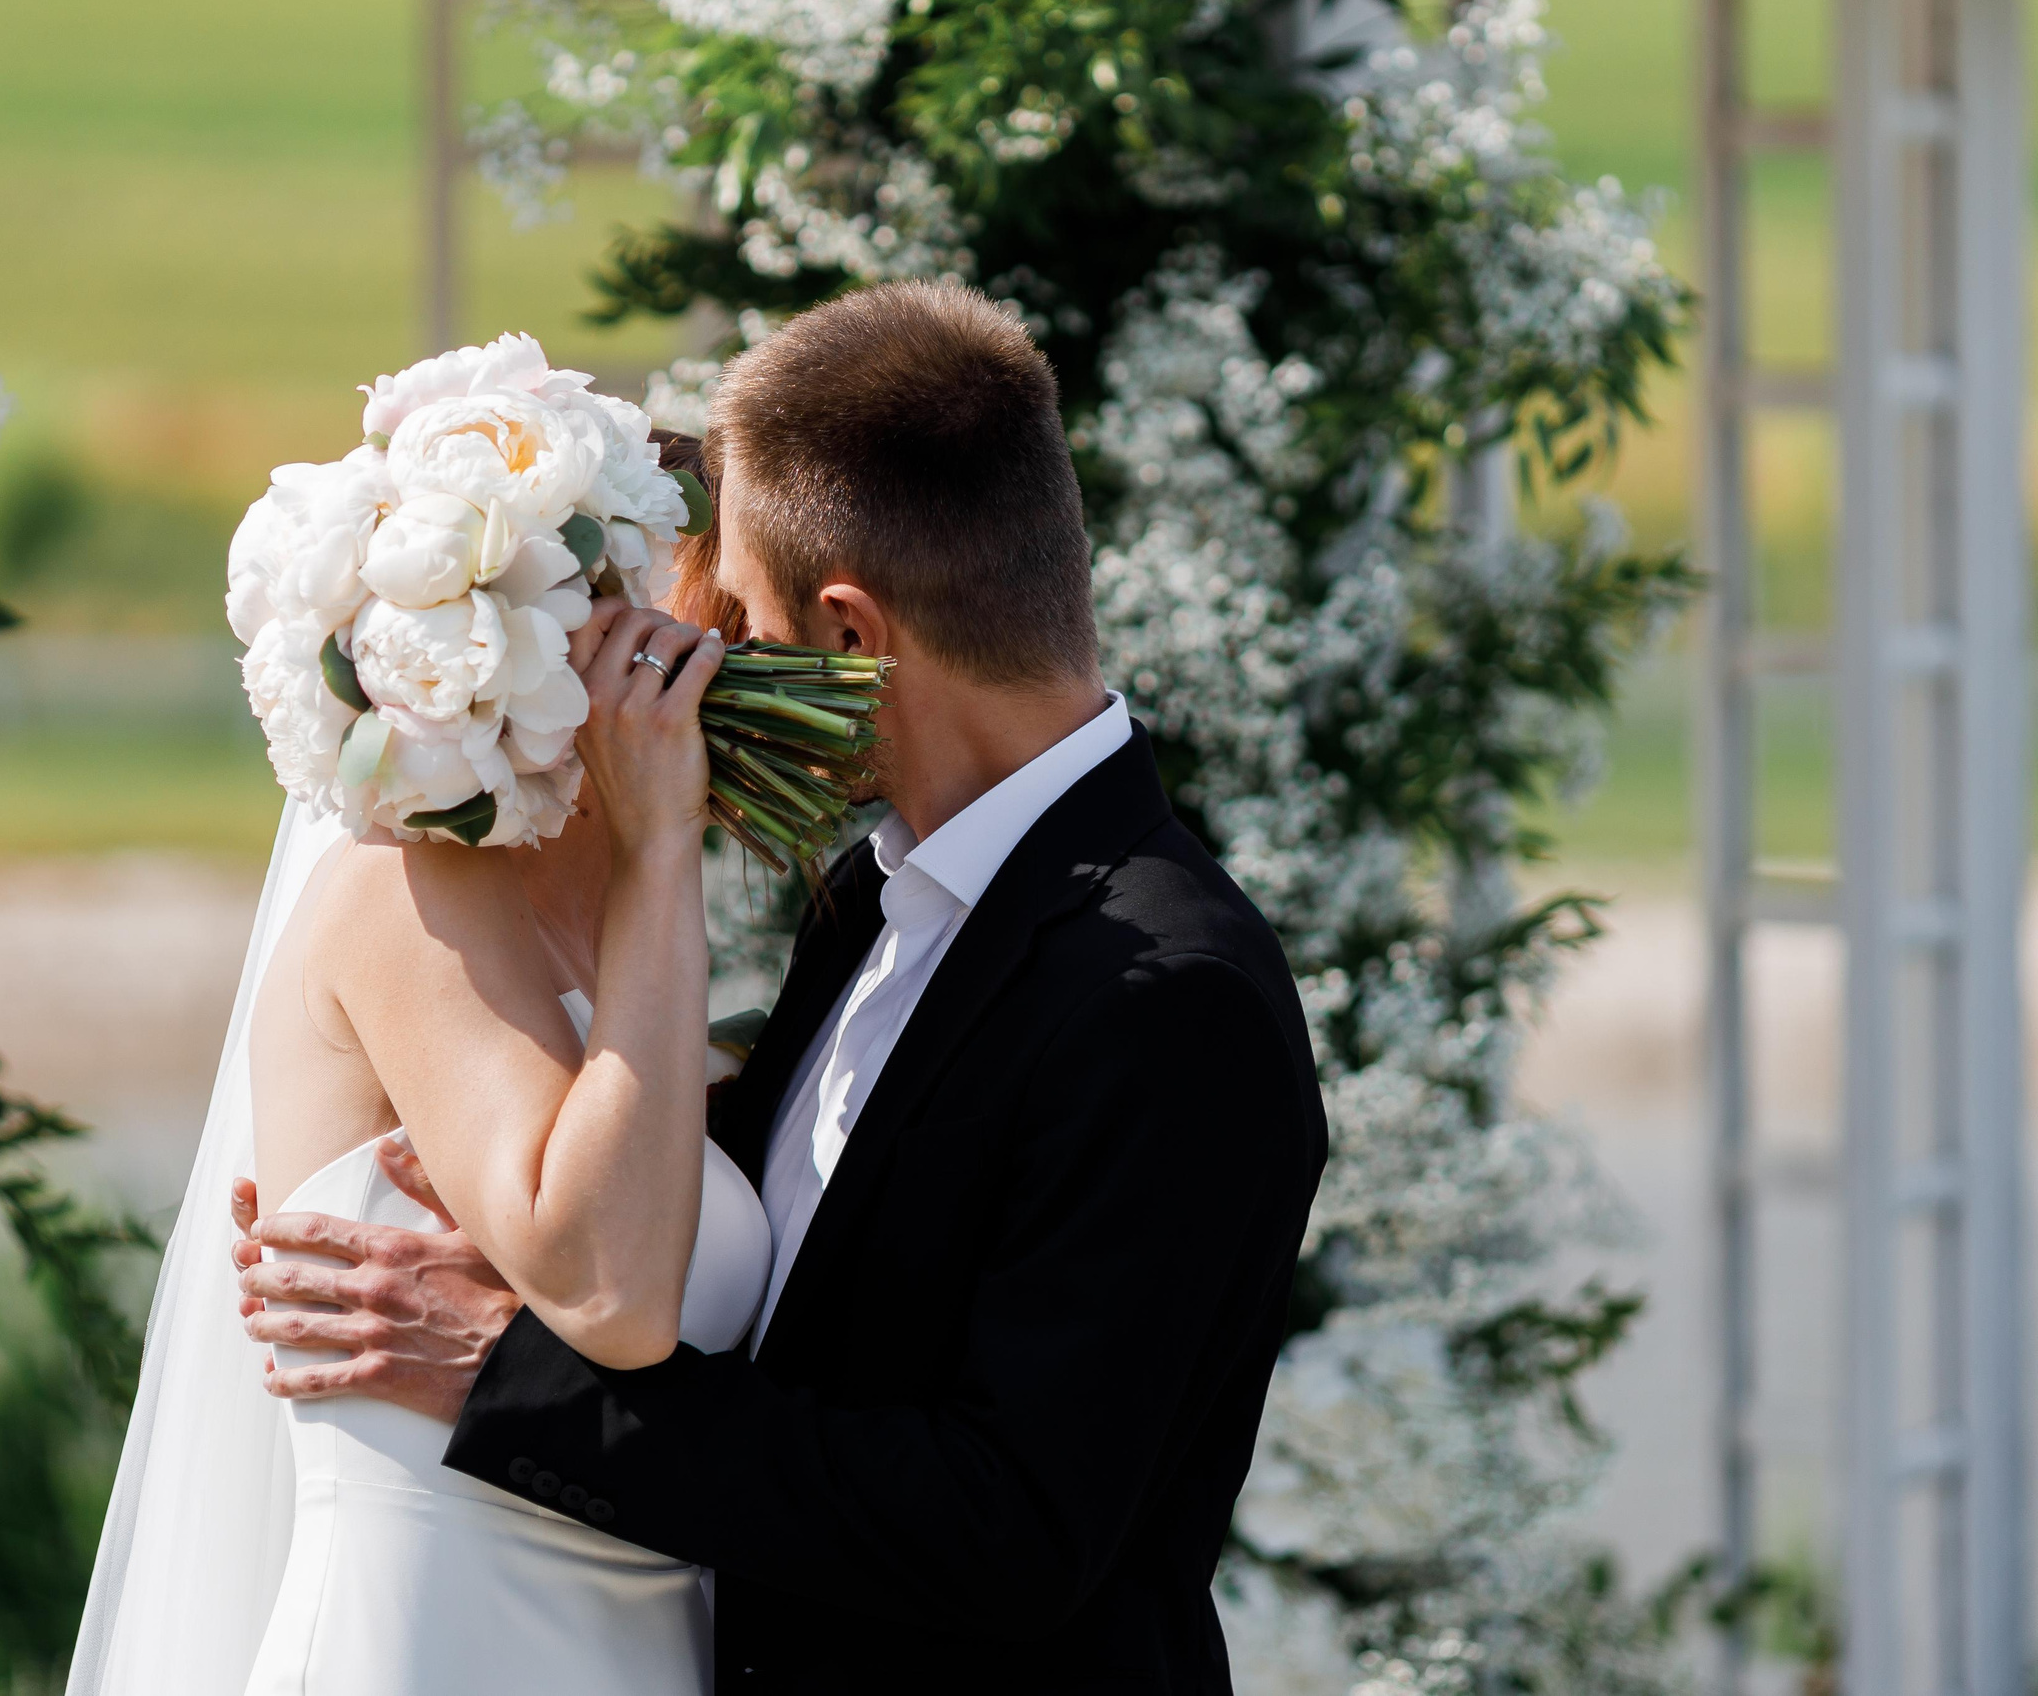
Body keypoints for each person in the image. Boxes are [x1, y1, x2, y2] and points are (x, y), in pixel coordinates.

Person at [232, 281, 1332, 1695]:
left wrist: (510, 1374)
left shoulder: (1170, 997)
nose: (717, 669)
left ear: (852, 637)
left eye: (741, 624)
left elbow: (1011, 1532)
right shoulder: (875, 897)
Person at [67, 414, 774, 1692]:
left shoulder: (629, 943)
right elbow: (610, 1292)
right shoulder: (408, 896)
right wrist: (665, 843)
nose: (731, 670)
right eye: (704, 630)